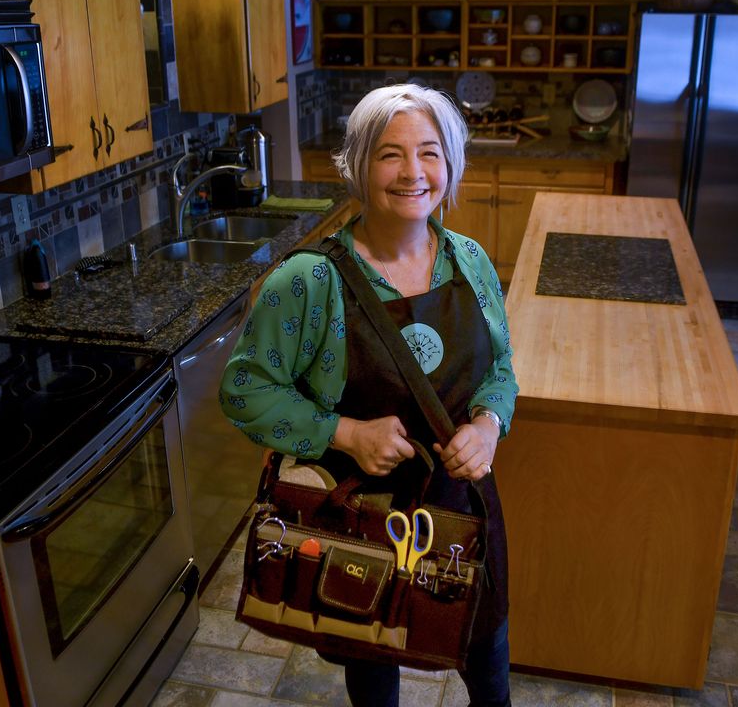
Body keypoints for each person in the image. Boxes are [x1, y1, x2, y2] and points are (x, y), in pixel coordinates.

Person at [219, 83, 518, 707]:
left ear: (451, 164)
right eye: (390, 154)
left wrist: (489, 423)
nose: (413, 172)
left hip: (461, 506)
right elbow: (245, 389)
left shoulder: (472, 262)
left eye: (430, 152)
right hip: (362, 520)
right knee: (373, 659)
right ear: (358, 164)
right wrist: (346, 434)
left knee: (486, 660)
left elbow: (502, 368)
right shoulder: (309, 281)